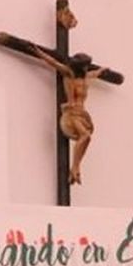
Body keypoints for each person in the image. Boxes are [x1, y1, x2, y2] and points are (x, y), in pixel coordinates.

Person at [28, 45, 108, 185]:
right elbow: (53, 62)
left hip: (82, 114)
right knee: (85, 136)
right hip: (71, 114)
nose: (86, 68)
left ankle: (76, 168)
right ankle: (75, 167)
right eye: (85, 65)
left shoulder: (86, 77)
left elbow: (96, 73)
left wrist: (103, 70)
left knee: (86, 138)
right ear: (79, 66)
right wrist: (39, 52)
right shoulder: (68, 74)